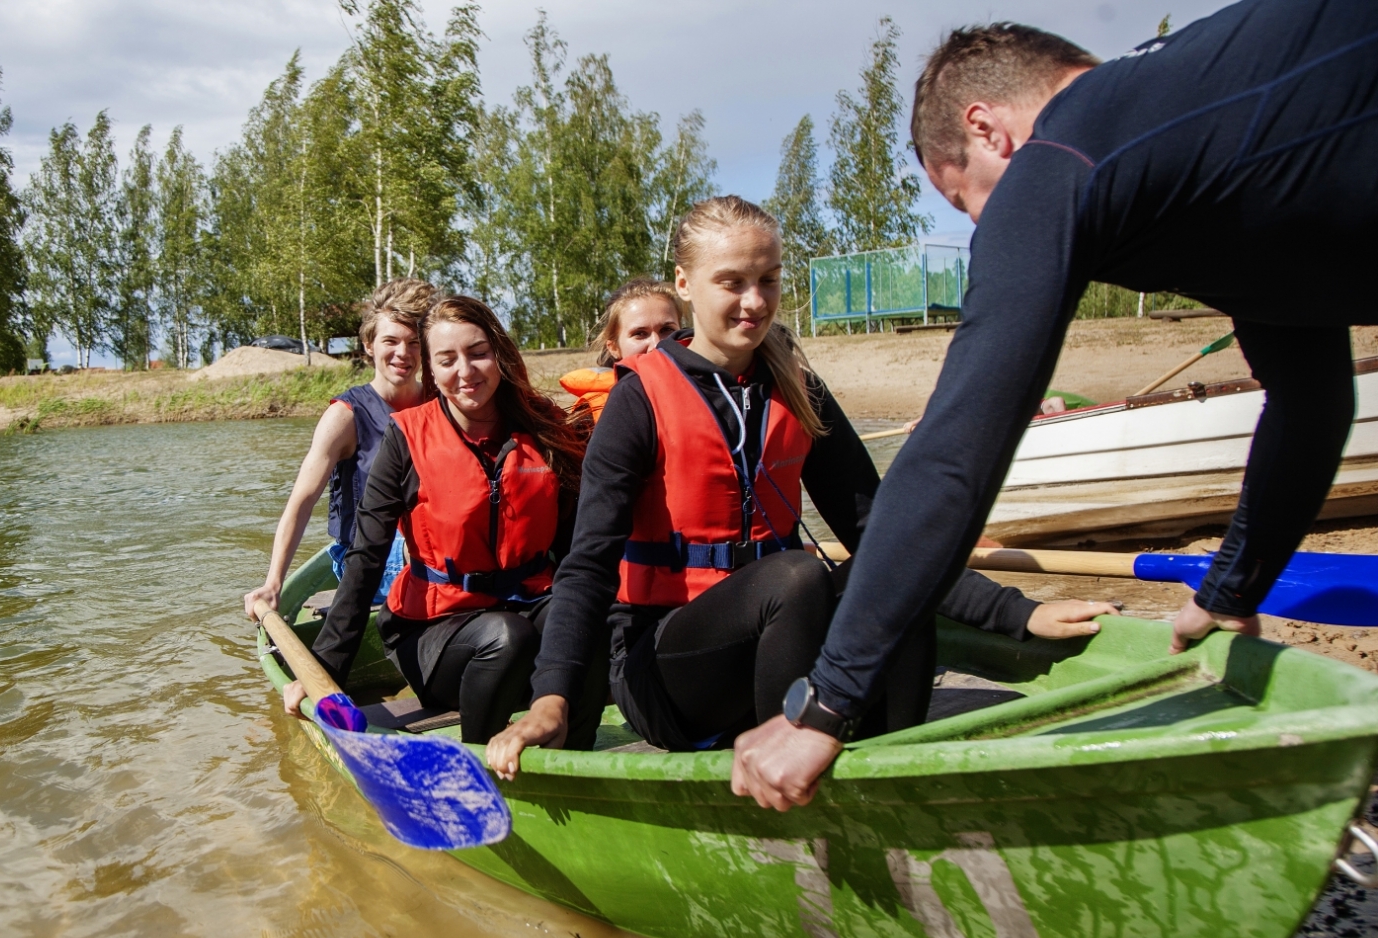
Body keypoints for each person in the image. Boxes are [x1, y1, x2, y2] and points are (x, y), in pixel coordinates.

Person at [737, 0, 1378, 812]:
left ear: (989, 129)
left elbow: (955, 449)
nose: (984, 228)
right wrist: (1230, 589)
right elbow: (1313, 399)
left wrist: (825, 703)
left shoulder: (1065, 149)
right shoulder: (1204, 156)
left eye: (967, 202)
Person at [486, 195, 1114, 778]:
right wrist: (552, 698)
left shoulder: (796, 386)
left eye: (768, 279)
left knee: (892, 583)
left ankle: (893, 764)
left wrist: (1019, 611)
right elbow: (588, 565)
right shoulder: (638, 400)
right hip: (668, 667)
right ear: (685, 285)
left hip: (779, 643)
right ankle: (778, 771)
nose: (754, 302)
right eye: (731, 282)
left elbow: (881, 532)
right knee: (797, 575)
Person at [291, 295, 604, 747]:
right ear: (431, 373)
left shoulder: (545, 428)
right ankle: (480, 761)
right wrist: (324, 668)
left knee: (585, 617)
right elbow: (366, 557)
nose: (466, 371)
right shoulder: (406, 437)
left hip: (528, 603)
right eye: (447, 360)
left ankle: (576, 756)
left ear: (498, 354)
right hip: (433, 632)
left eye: (478, 353)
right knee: (505, 637)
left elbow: (580, 548)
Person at [244, 279, 435, 622]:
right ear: (369, 346)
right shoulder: (344, 416)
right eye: (390, 341)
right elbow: (302, 501)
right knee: (434, 549)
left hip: (429, 540)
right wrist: (274, 582)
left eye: (414, 343)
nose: (403, 353)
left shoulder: (439, 402)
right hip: (366, 557)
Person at [560, 278, 684, 427]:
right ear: (614, 347)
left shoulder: (709, 392)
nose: (656, 345)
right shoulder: (591, 416)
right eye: (640, 333)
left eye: (667, 330)